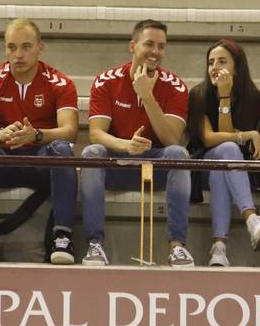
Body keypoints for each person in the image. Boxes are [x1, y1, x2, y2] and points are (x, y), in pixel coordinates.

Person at [0, 18, 79, 265]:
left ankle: (62, 237)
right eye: (11, 47)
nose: (18, 55)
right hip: (4, 160)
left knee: (62, 148)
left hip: (41, 162)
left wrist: (37, 135)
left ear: (40, 47)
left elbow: (69, 131)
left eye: (26, 47)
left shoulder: (60, 83)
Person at [79, 19, 193, 267]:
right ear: (132, 46)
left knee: (178, 153)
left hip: (154, 165)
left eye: (161, 47)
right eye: (149, 44)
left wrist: (147, 95)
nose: (155, 52)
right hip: (118, 161)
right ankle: (95, 244)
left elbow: (171, 139)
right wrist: (125, 145)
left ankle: (177, 247)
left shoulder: (175, 86)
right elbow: (97, 134)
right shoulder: (106, 81)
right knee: (91, 152)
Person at [185, 38, 260, 267]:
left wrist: (226, 97)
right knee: (226, 149)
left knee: (224, 162)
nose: (215, 67)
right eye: (211, 62)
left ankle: (219, 247)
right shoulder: (199, 94)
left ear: (237, 66)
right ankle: (251, 218)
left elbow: (228, 137)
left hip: (232, 168)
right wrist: (246, 133)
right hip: (201, 165)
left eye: (222, 61)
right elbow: (208, 138)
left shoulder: (252, 97)